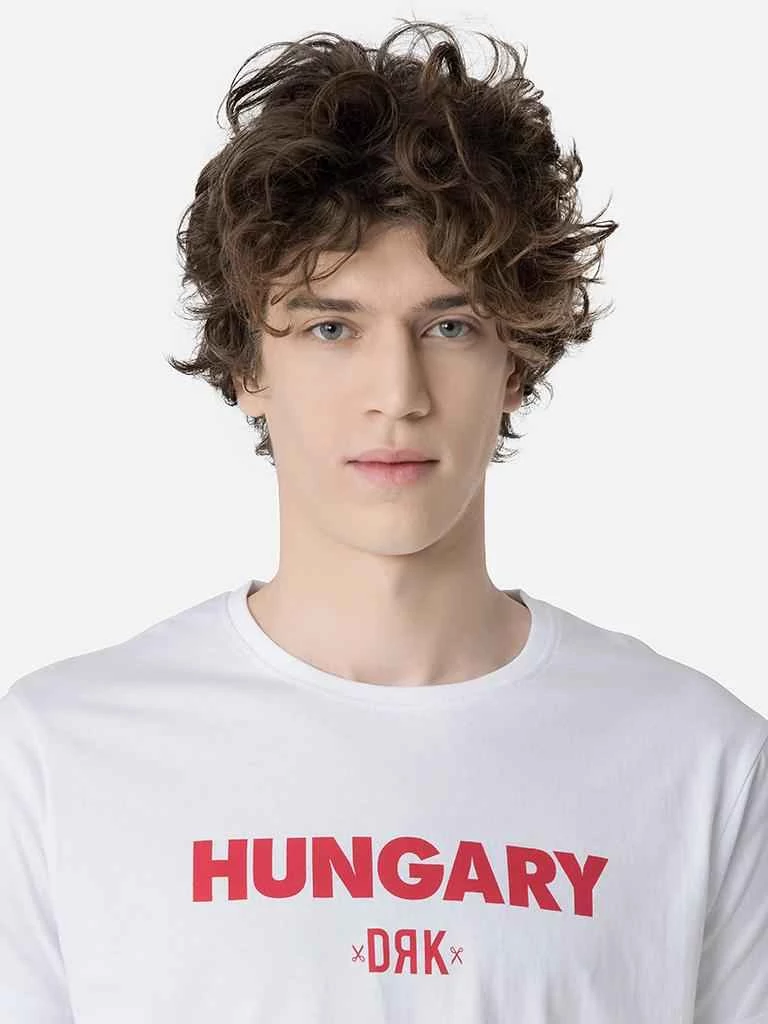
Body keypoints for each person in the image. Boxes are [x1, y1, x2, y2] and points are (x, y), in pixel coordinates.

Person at [1, 19, 766, 1024]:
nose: (397, 394)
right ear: (247, 368)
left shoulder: (701, 761)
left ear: (516, 363)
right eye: (332, 326)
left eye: (450, 325)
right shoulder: (58, 754)